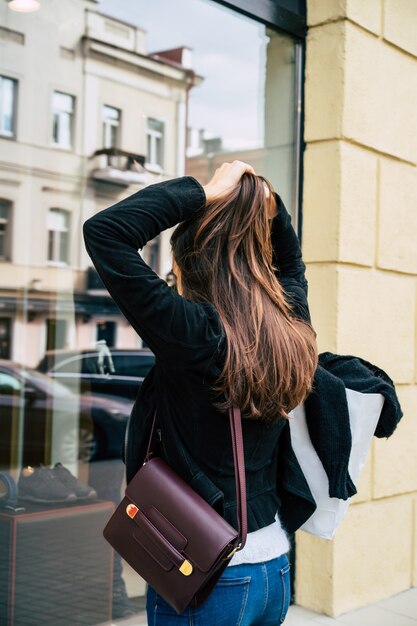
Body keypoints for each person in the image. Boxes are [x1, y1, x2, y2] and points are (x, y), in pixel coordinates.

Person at [83, 160, 318, 625]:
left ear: (188, 262)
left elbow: (106, 232)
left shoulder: (195, 334)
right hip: (273, 567)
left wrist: (205, 192)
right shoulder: (290, 326)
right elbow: (291, 262)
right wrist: (266, 205)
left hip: (210, 574)